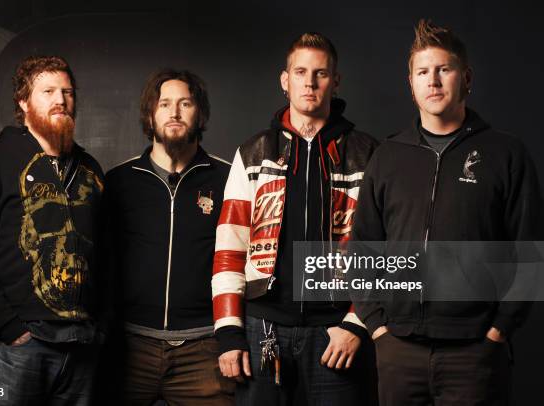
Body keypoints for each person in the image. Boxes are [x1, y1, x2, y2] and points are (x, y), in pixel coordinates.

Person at [351, 19, 543, 405]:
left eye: (444, 69)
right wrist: (377, 328)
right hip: (398, 350)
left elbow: (529, 254)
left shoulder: (506, 154)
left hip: (475, 353)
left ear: (466, 78)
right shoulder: (387, 156)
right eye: (423, 72)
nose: (433, 81)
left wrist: (498, 330)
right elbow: (362, 246)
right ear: (411, 83)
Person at [212, 32, 379, 404]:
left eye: (320, 73)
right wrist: (229, 333)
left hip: (335, 332)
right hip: (262, 329)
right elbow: (229, 250)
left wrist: (356, 323)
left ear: (335, 82)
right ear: (285, 80)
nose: (309, 81)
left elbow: (382, 249)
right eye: (300, 71)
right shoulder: (254, 153)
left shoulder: (368, 155)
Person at [0, 55, 105, 405]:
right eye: (47, 91)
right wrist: (10, 328)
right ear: (23, 101)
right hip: (20, 346)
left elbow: (107, 253)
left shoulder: (90, 170)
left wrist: (100, 326)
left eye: (66, 92)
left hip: (81, 346)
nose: (60, 100)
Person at [103, 69, 234, 405]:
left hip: (204, 349)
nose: (174, 112)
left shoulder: (228, 180)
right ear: (151, 114)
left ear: (199, 113)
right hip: (130, 348)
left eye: (185, 103)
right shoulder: (118, 181)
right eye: (164, 104)